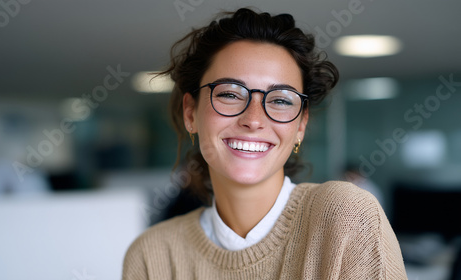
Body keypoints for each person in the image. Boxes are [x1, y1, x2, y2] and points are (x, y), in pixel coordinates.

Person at [123, 8, 407, 279]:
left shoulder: (345, 218)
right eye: (230, 94)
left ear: (301, 125)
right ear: (190, 114)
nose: (254, 119)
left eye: (281, 99)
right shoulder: (151, 254)